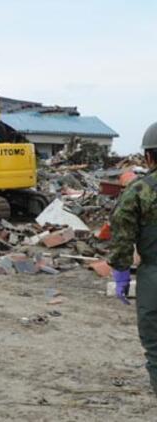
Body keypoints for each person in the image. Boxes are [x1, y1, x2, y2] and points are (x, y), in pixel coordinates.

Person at [110, 121, 157, 395]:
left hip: (153, 277)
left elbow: (122, 233)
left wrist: (121, 272)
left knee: (155, 343)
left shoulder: (138, 190)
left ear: (148, 156)